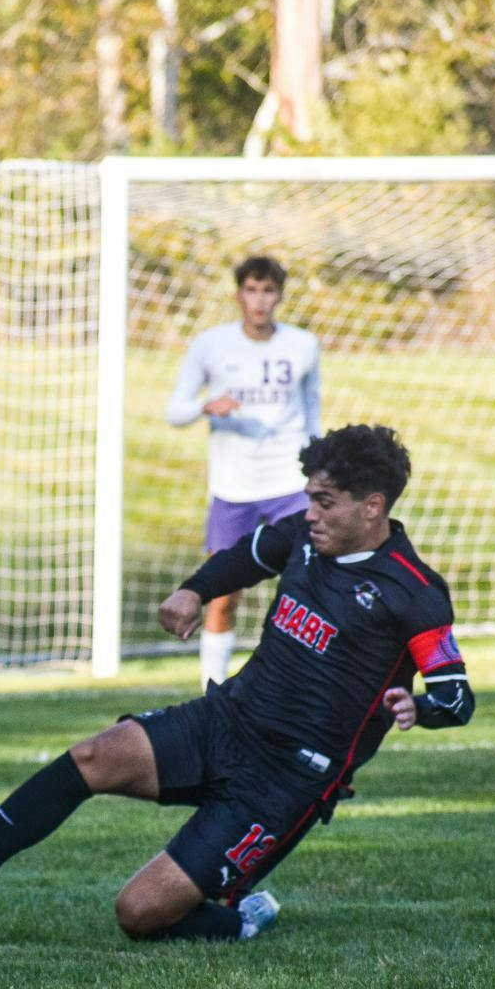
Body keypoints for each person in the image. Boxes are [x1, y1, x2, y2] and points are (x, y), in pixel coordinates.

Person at [0, 424, 471, 944]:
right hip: (229, 719)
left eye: (326, 501)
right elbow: (246, 556)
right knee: (94, 755)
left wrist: (420, 705)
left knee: (139, 914)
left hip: (287, 778)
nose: (310, 512)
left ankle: (241, 921)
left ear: (372, 506)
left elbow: (456, 694)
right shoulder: (301, 538)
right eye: (309, 497)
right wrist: (194, 591)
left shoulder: (413, 592)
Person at [167, 255, 323, 688]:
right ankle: (211, 689)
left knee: (305, 589)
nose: (260, 300)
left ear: (280, 296)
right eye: (252, 290)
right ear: (238, 294)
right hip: (234, 486)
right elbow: (175, 411)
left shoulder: (303, 345)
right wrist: (204, 406)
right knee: (221, 592)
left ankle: (299, 682)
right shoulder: (210, 345)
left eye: (268, 290)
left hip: (290, 484)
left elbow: (312, 412)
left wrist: (319, 468)